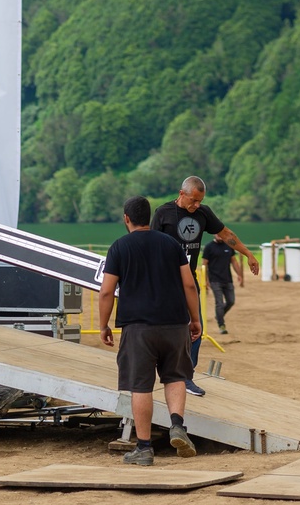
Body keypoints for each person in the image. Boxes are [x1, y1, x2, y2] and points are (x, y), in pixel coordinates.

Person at [99, 196, 201, 466]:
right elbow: (189, 285)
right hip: (175, 324)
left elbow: (107, 291)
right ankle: (177, 424)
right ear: (150, 217)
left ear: (126, 218)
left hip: (138, 327)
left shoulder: (119, 247)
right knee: (176, 376)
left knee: (140, 386)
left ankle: (144, 448)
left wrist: (104, 324)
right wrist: (195, 319)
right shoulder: (171, 244)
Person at [151, 176, 259, 397]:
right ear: (182, 194)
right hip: (165, 282)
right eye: (193, 200)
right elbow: (151, 246)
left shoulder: (203, 213)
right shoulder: (163, 213)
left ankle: (186, 377)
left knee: (194, 329)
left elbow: (226, 233)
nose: (197, 205)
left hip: (189, 281)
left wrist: (248, 253)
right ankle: (163, 371)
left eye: (200, 200)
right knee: (161, 330)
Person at [202, 234, 244, 334]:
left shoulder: (228, 246)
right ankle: (221, 325)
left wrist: (239, 274)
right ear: (214, 234)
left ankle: (219, 315)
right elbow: (204, 264)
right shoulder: (209, 247)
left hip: (227, 279)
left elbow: (234, 261)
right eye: (218, 234)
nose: (220, 236)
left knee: (231, 301)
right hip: (215, 280)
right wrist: (205, 279)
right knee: (219, 303)